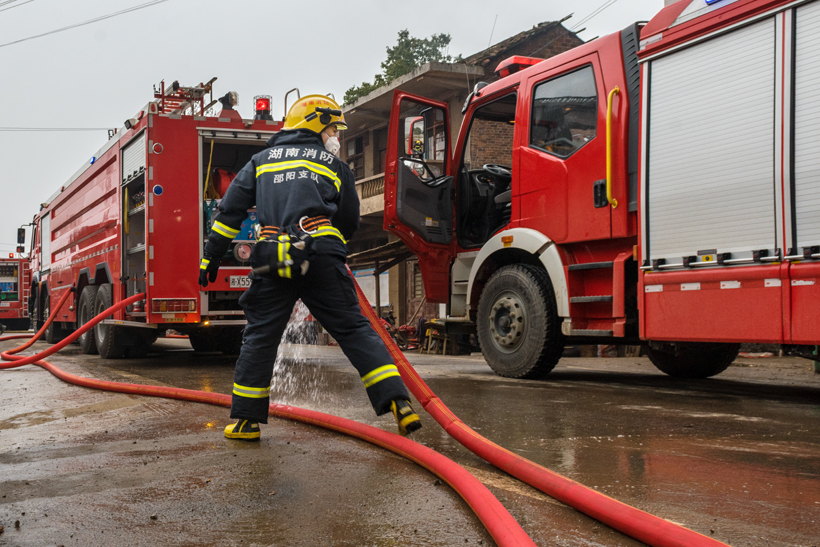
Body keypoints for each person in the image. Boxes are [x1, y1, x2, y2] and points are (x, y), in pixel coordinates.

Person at [198, 94, 422, 441]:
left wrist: (210, 256)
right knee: (353, 330)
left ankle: (245, 422)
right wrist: (331, 250)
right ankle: (397, 401)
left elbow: (230, 213)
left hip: (273, 259)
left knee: (260, 338)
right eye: (333, 127)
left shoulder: (261, 161)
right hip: (321, 254)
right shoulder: (335, 166)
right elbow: (349, 221)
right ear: (316, 125)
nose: (335, 135)